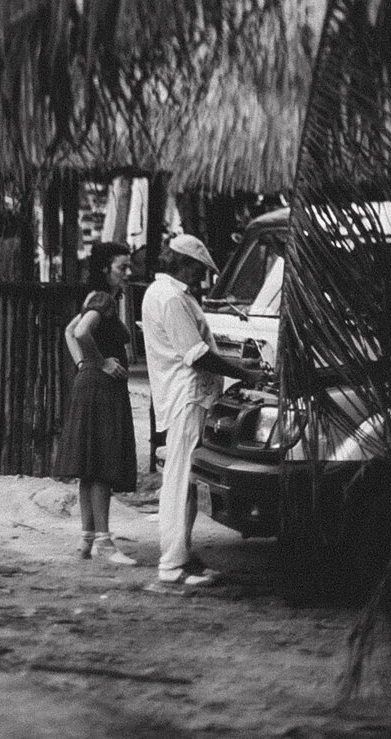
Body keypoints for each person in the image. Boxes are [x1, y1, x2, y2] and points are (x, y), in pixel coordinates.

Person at [140, 233, 260, 586]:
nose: (200, 276)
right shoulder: (170, 297)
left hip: (191, 396)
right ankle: (172, 563)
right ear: (182, 263)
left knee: (186, 480)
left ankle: (182, 556)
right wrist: (244, 372)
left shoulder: (168, 294)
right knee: (179, 481)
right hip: (187, 397)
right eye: (196, 269)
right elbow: (196, 354)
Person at [54, 244, 140, 563]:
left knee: (89, 467)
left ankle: (87, 539)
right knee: (102, 463)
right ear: (105, 269)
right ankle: (104, 541)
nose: (127, 273)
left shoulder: (97, 299)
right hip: (102, 386)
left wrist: (82, 363)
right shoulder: (103, 300)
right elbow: (80, 330)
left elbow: (68, 332)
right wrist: (100, 363)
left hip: (88, 383)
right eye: (122, 267)